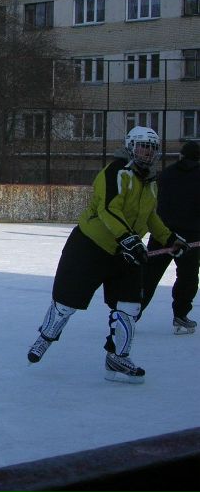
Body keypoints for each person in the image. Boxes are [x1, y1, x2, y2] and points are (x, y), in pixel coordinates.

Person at [26, 127, 188, 383]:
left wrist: (170, 238)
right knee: (67, 302)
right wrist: (129, 239)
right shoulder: (116, 172)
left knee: (129, 308)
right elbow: (108, 209)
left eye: (152, 147)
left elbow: (149, 216)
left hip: (126, 252)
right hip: (91, 246)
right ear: (130, 146)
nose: (147, 151)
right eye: (142, 145)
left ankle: (117, 358)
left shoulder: (150, 182)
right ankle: (46, 335)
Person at [140, 140, 200, 334]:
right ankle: (181, 315)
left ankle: (130, 314)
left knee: (148, 276)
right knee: (187, 277)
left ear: (181, 155)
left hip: (162, 233)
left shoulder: (165, 174)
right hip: (191, 236)